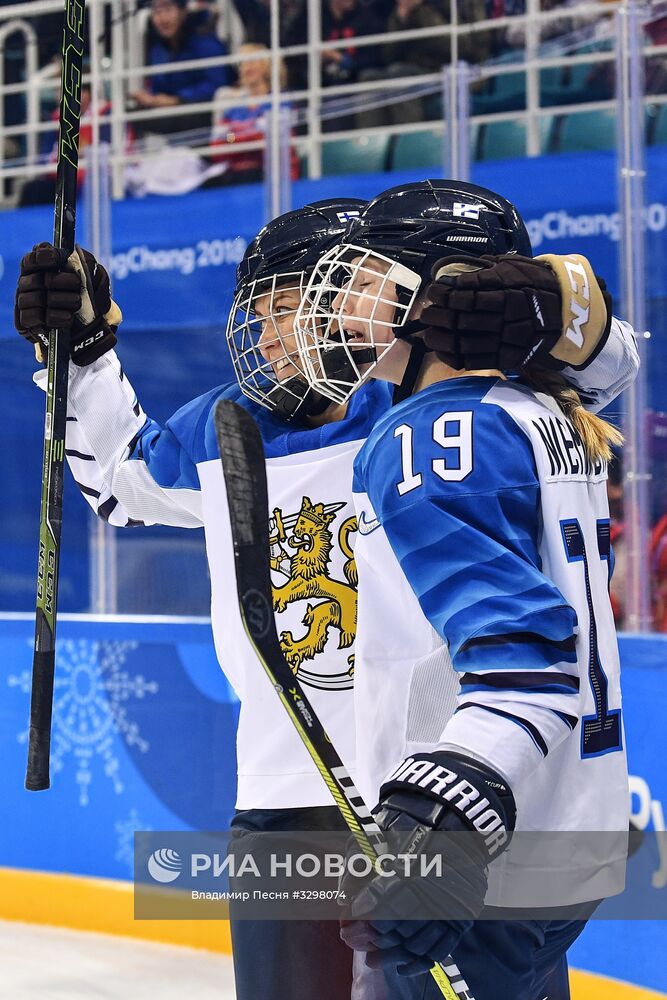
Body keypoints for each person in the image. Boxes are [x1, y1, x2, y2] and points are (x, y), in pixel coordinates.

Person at [15, 185, 638, 1000]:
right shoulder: (233, 422)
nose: (272, 333)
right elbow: (120, 484)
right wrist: (86, 354)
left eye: (294, 305)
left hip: (447, 787)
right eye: (263, 311)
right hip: (287, 790)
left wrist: (551, 308)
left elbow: (596, 366)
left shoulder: (424, 411)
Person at [293, 179, 637, 998]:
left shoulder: (429, 434)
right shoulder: (543, 407)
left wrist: (434, 828)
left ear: (431, 296)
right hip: (568, 830)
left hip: (480, 849)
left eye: (365, 277)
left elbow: (523, 661)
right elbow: (608, 350)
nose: (342, 301)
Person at [132, 0, 230, 135]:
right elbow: (158, 88)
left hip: (206, 119)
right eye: (157, 11)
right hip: (172, 116)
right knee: (131, 114)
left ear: (183, 11)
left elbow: (216, 84)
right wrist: (151, 99)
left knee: (230, 136)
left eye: (167, 9)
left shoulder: (205, 41)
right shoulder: (157, 50)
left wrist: (178, 100)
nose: (162, 18)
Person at [210, 43, 298, 186]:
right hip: (235, 174)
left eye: (252, 61)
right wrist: (241, 137)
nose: (246, 67)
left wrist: (235, 137)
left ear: (266, 66)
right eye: (242, 63)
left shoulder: (281, 101)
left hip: (273, 174)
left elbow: (272, 142)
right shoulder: (233, 109)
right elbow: (218, 145)